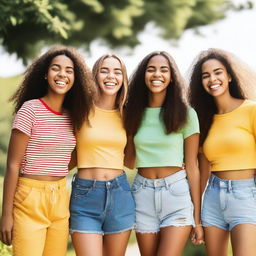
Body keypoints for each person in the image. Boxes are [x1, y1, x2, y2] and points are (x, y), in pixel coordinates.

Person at [0, 45, 94, 256]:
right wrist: (6, 214)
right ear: (45, 74)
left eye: (69, 70)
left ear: (75, 78)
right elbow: (13, 165)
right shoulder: (30, 109)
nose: (62, 74)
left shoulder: (74, 116)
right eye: (56, 68)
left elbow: (71, 157)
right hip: (28, 198)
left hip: (61, 197)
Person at [124, 51, 204, 256]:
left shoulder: (186, 114)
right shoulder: (132, 112)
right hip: (142, 194)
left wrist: (197, 217)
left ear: (171, 77)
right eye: (151, 69)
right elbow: (129, 161)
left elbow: (193, 167)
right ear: (143, 75)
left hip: (176, 194)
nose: (156, 74)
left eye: (163, 70)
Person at [188, 48, 256, 256]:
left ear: (229, 76)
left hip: (246, 195)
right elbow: (202, 171)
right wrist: (196, 218)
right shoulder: (203, 119)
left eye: (218, 72)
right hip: (213, 197)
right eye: (205, 76)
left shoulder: (251, 110)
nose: (212, 79)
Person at [69, 54, 135, 256]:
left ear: (123, 78)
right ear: (95, 76)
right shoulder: (80, 111)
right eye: (104, 71)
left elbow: (131, 161)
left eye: (117, 72)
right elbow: (67, 156)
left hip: (120, 194)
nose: (111, 76)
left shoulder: (128, 114)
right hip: (85, 196)